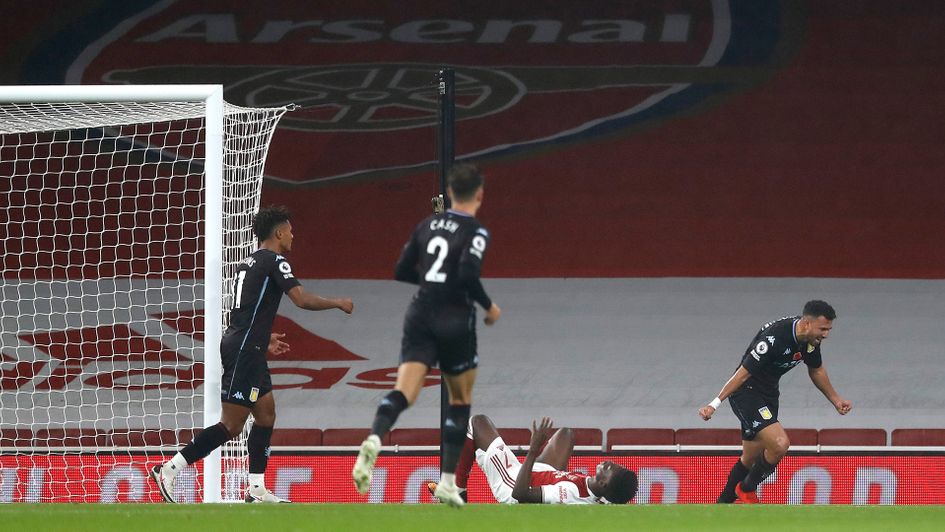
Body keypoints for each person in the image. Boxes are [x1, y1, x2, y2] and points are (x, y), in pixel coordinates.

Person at [150, 205, 354, 503]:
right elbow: (301, 298)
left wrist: (263, 337)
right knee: (231, 425)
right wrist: (337, 302)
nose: (293, 236)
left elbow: (245, 308)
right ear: (279, 232)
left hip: (248, 344)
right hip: (245, 349)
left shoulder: (248, 263)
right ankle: (169, 468)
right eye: (291, 231)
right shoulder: (275, 261)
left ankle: (257, 488)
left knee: (267, 413)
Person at [352, 163, 501, 507]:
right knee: (460, 401)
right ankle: (449, 483)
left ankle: (374, 437)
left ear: (449, 192)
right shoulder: (476, 232)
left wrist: (432, 282)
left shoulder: (426, 225)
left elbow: (401, 270)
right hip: (454, 317)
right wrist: (489, 306)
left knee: (403, 392)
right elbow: (466, 274)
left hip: (419, 313)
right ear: (479, 194)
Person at [698, 300, 852, 504]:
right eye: (822, 329)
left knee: (750, 458)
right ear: (806, 323)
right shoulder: (774, 338)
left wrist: (835, 399)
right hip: (746, 392)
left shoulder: (810, 340)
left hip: (769, 394)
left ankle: (721, 507)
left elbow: (816, 369)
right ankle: (746, 489)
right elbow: (742, 374)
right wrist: (714, 404)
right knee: (780, 444)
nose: (826, 334)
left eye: (828, 329)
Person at [429, 414, 638, 505]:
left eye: (612, 470)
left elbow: (520, 494)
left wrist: (532, 450)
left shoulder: (570, 492)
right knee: (566, 434)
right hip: (546, 473)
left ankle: (457, 492)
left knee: (477, 423)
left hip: (514, 482)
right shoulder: (597, 492)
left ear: (603, 483)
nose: (611, 464)